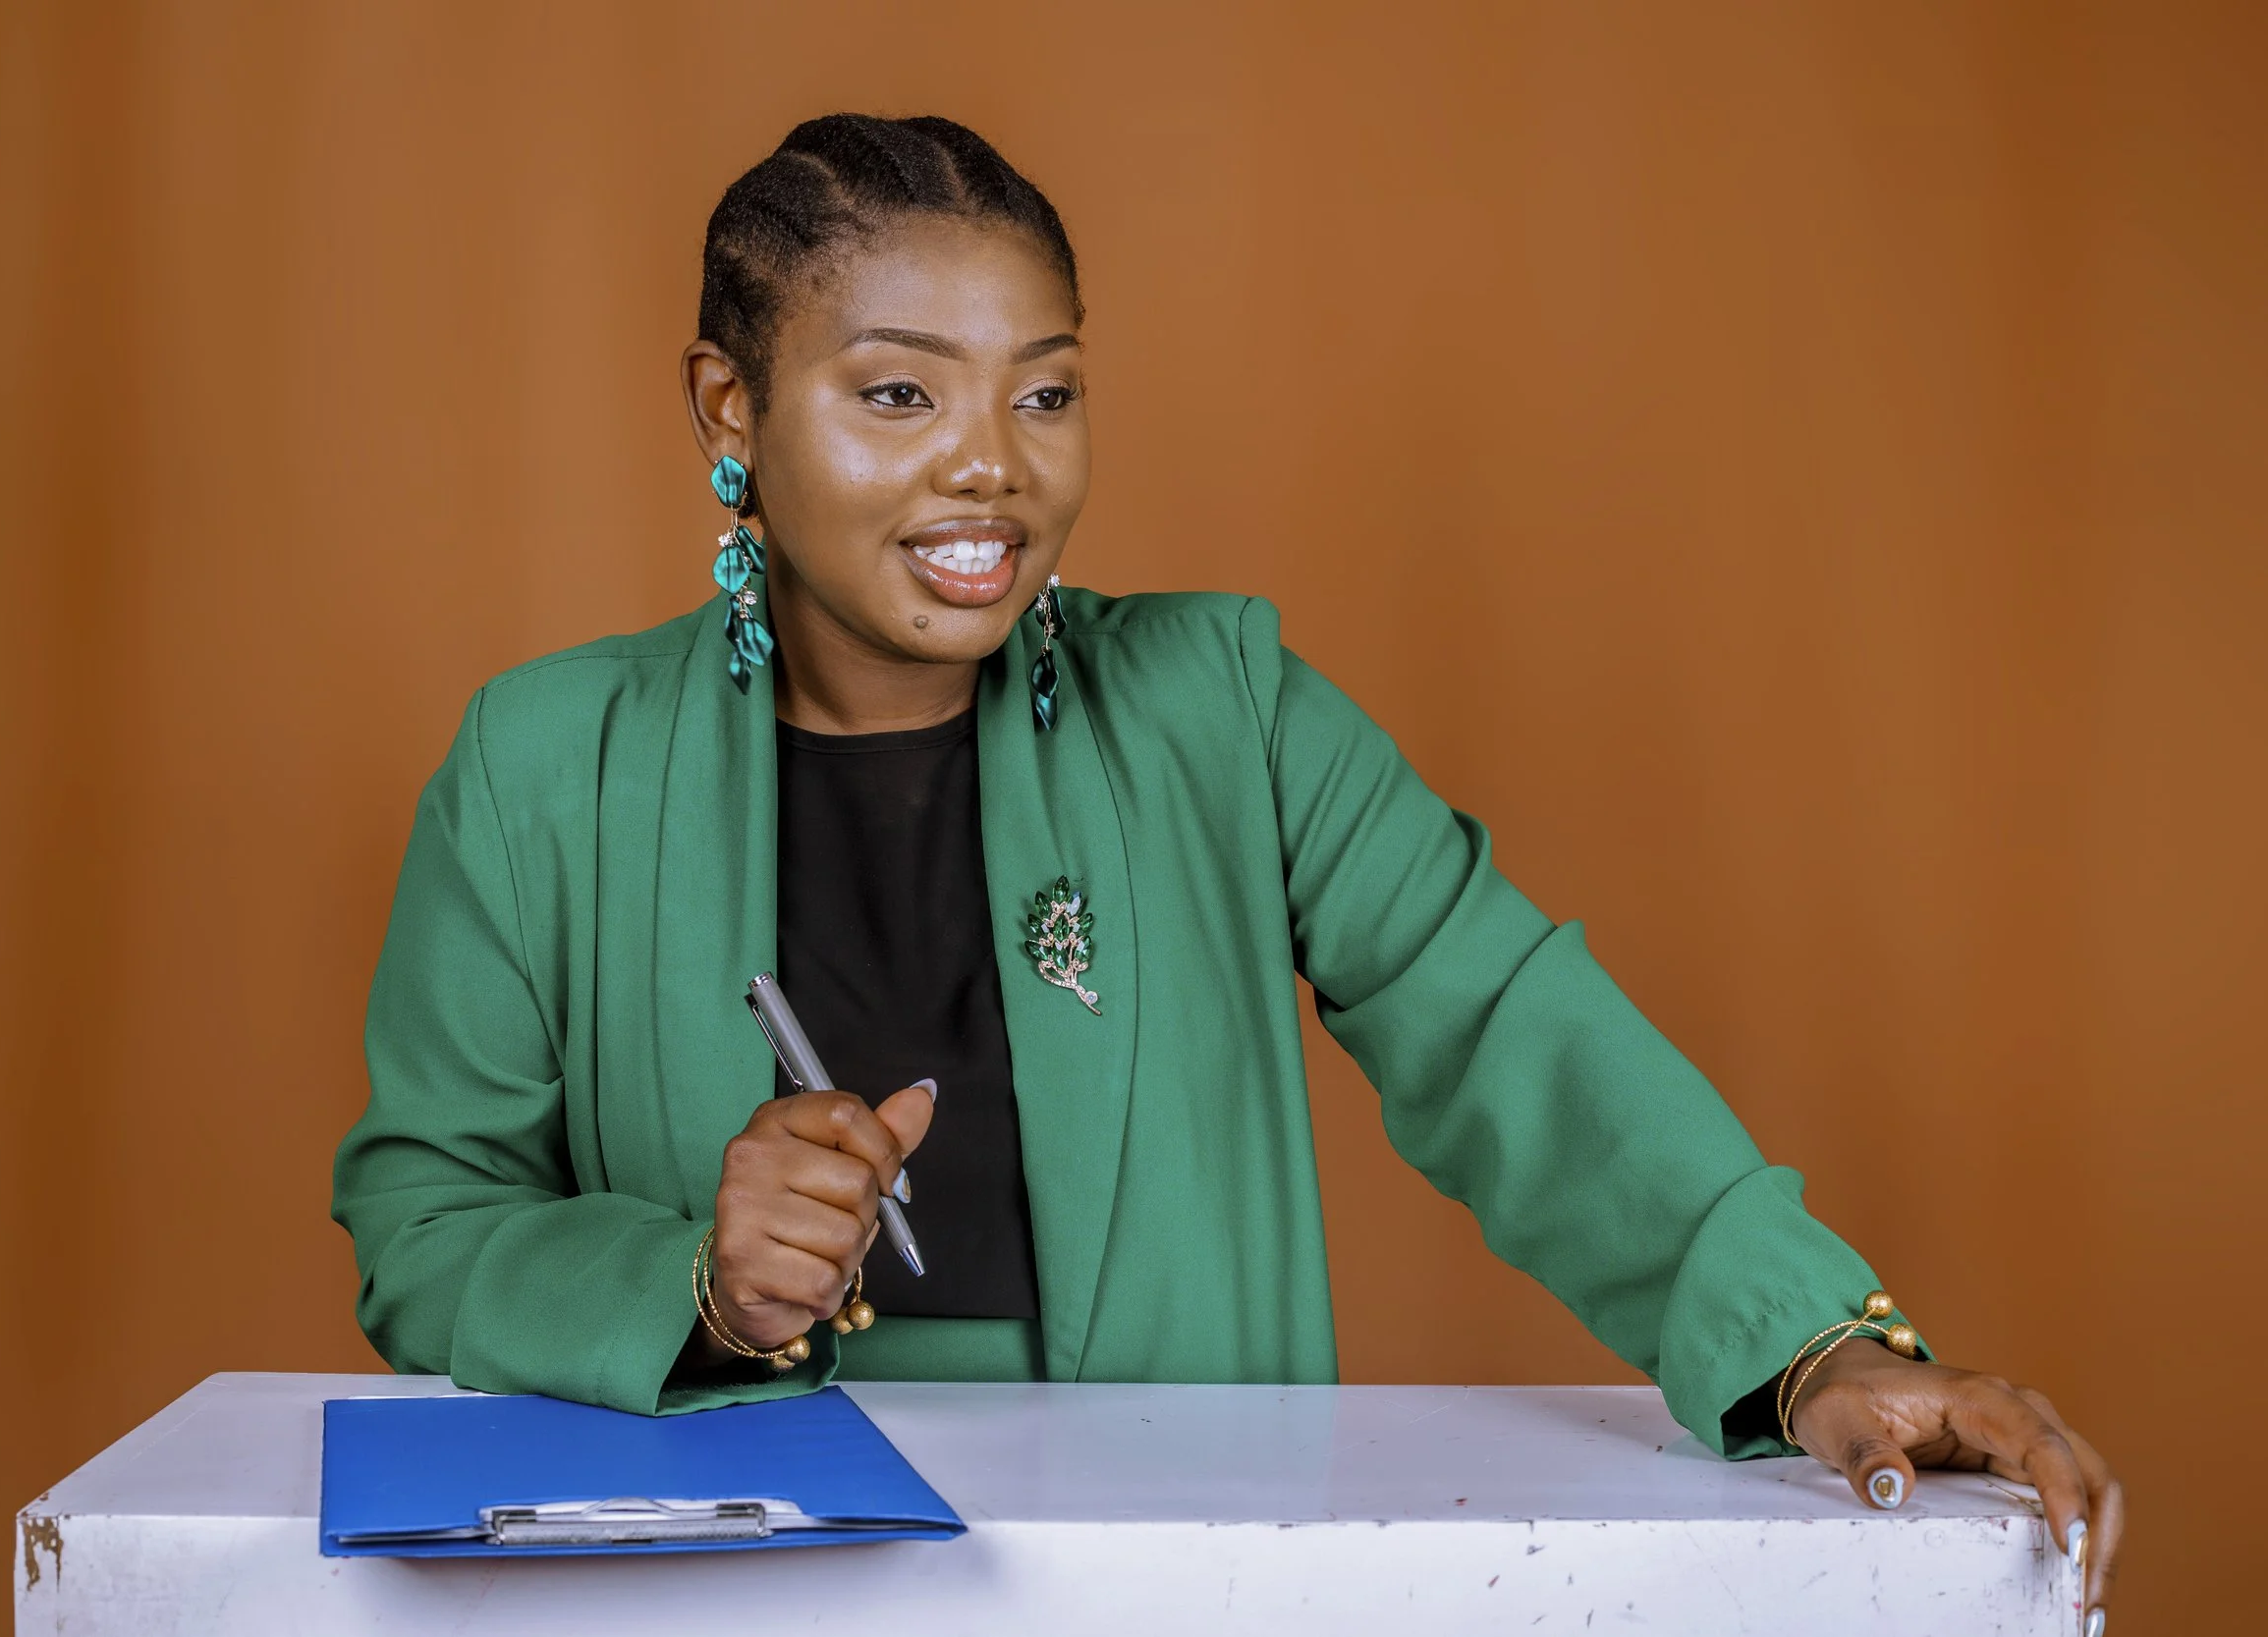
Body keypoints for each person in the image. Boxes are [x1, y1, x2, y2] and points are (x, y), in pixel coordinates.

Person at [333, 114, 2122, 1630]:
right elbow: (426, 1224)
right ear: (730, 405)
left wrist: (1811, 1348)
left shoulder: (1226, 707)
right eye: (896, 393)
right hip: (726, 1593)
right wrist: (697, 1288)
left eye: (1047, 393)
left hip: (1183, 1579)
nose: (989, 467)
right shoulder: (541, 766)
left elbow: (1507, 1026)